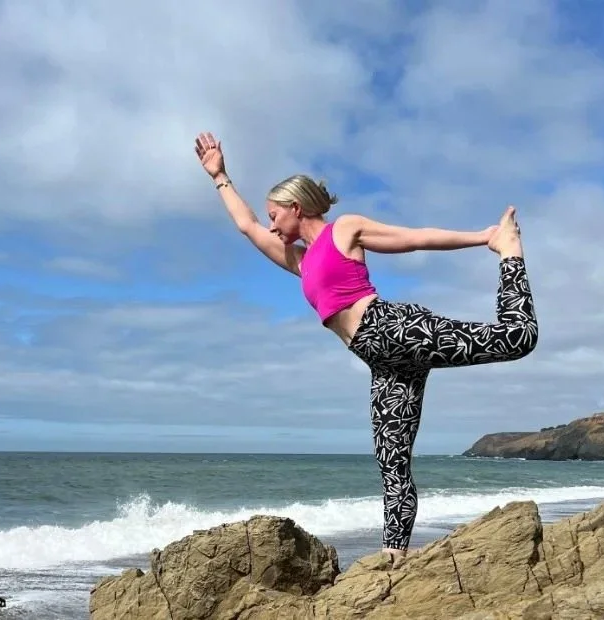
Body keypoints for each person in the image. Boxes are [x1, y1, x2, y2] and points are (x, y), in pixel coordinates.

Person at [193, 131, 538, 562]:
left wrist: (485, 236)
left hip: (394, 329)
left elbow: (414, 238)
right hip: (383, 363)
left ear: (296, 208)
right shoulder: (298, 261)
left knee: (517, 339)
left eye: (274, 215)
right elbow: (245, 226)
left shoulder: (345, 230)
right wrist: (220, 176)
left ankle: (511, 253)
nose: (270, 224)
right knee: (392, 461)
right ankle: (394, 558)